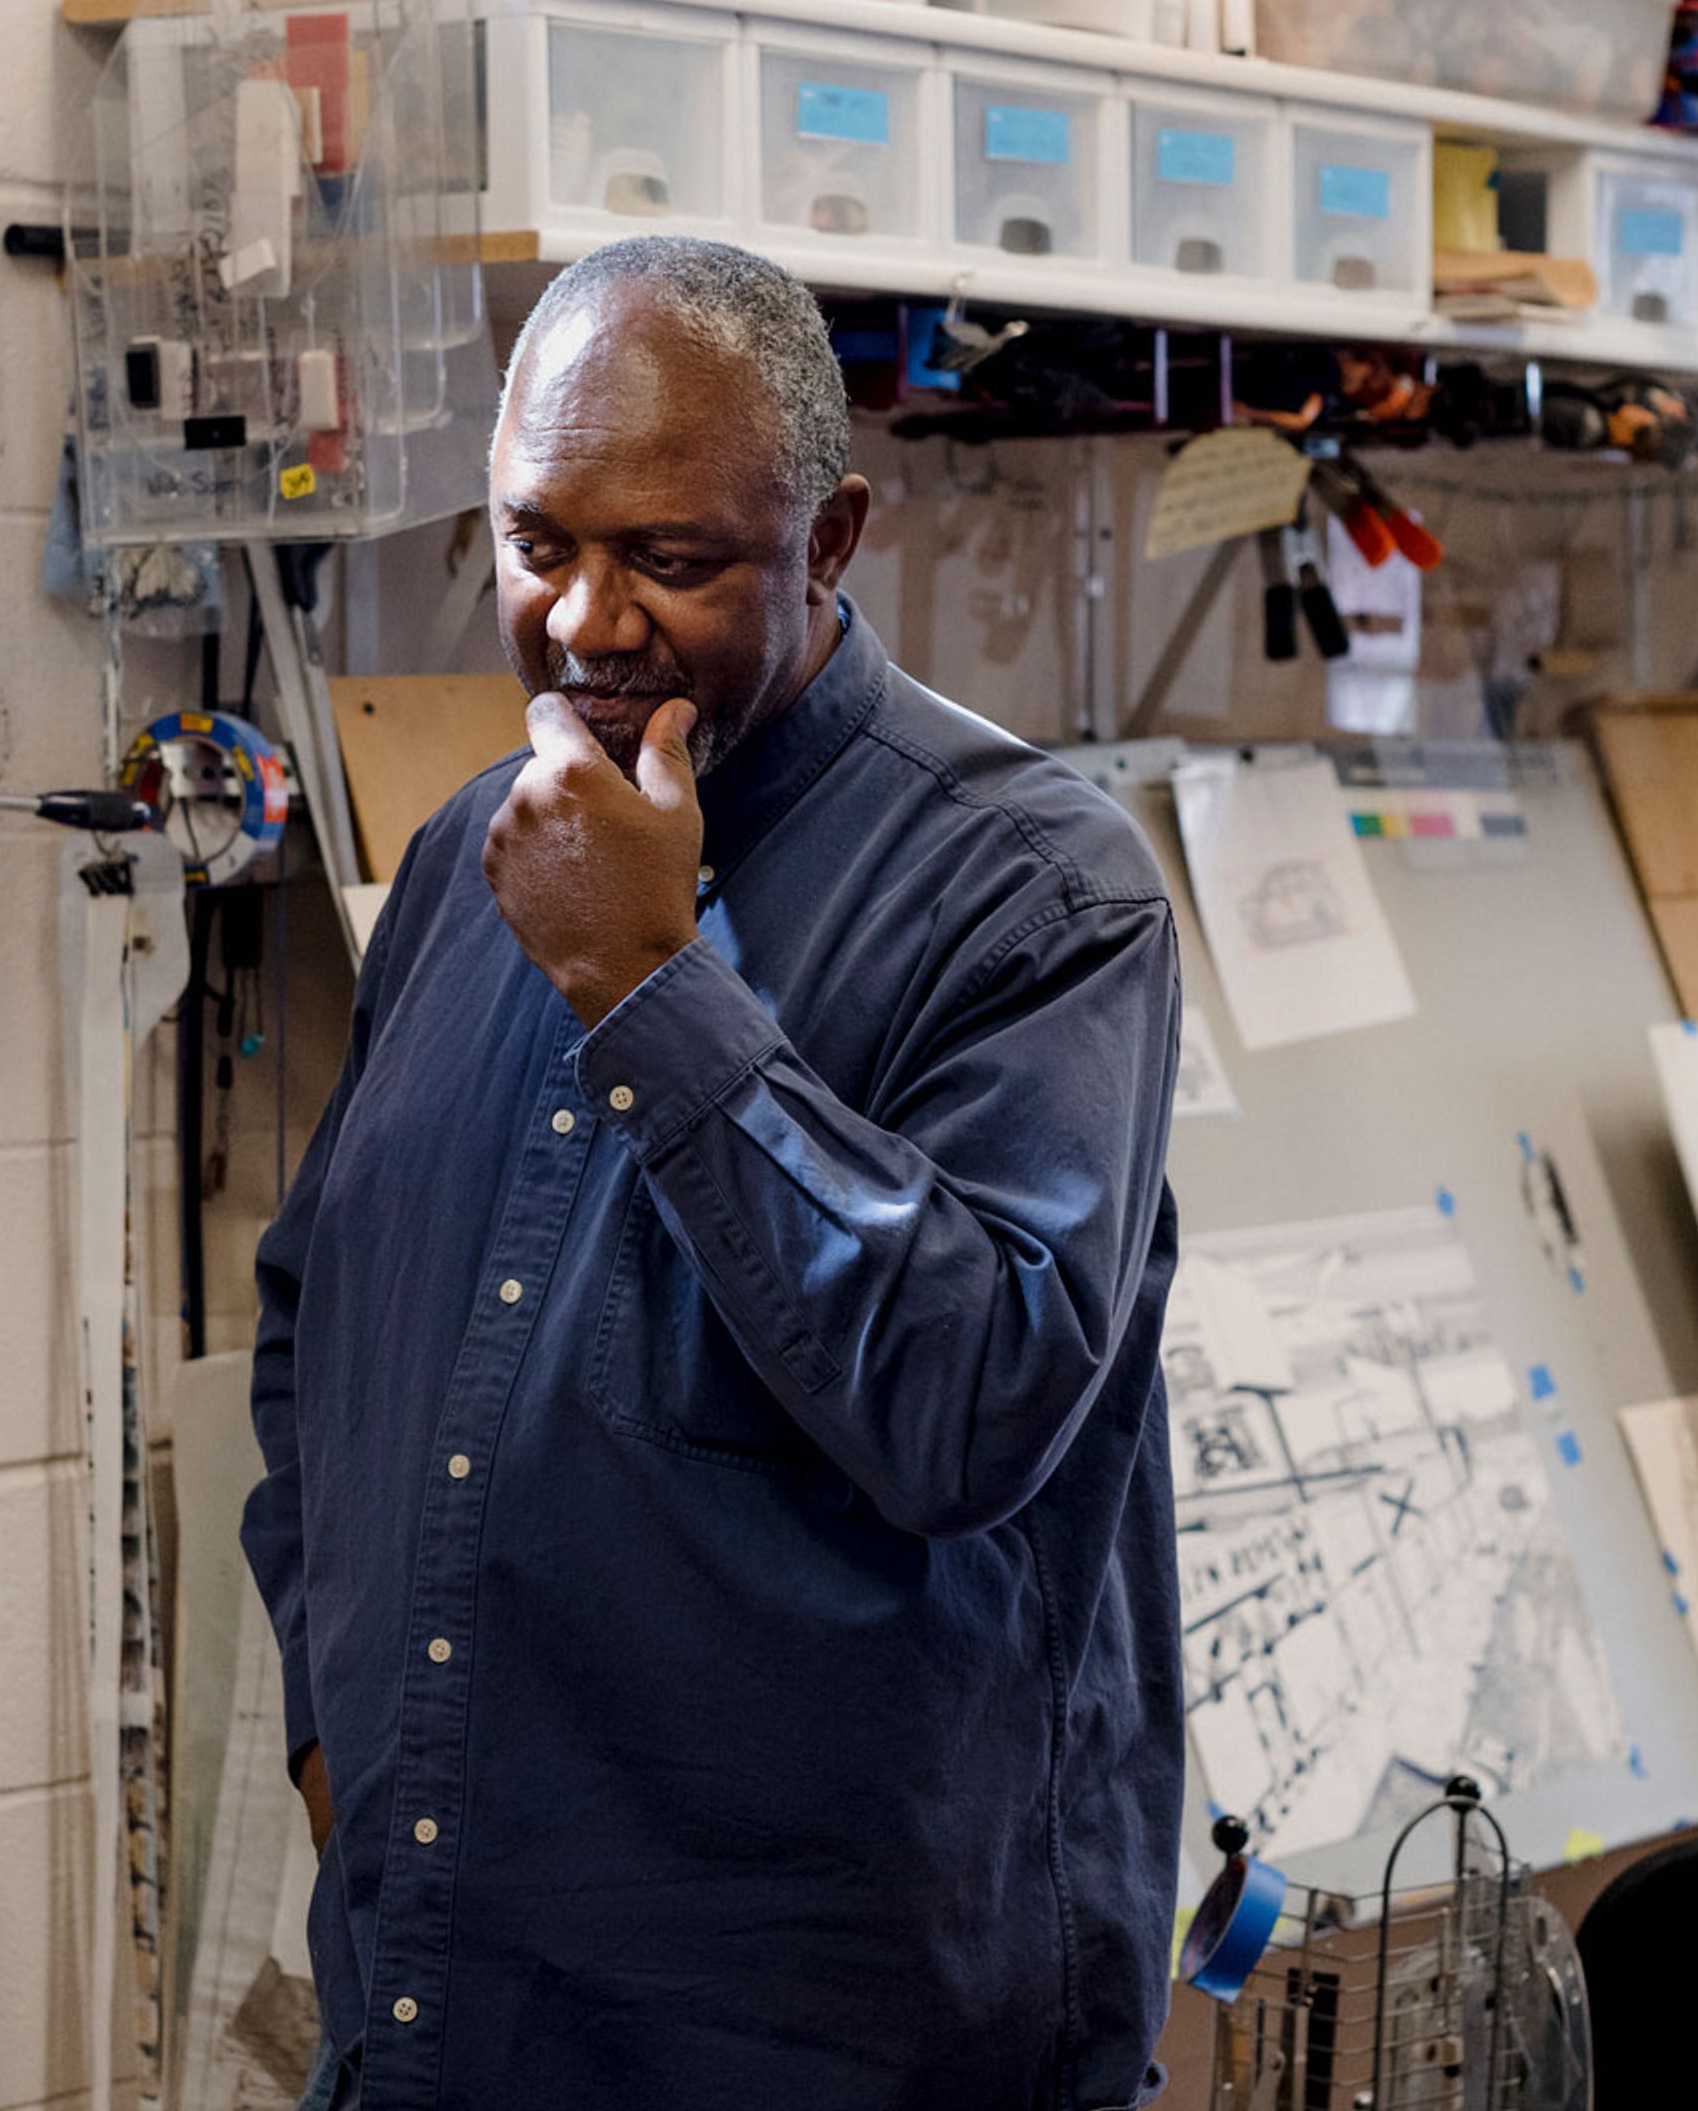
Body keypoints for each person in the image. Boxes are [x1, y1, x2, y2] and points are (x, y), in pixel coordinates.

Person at [243, 235, 1187, 2109]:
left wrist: (652, 984)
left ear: (829, 542)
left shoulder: (1040, 901)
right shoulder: (463, 864)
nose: (589, 621)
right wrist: (332, 1734)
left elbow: (971, 1406)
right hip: (452, 2019)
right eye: (538, 546)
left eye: (671, 561)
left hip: (820, 2049)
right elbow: (312, 1333)